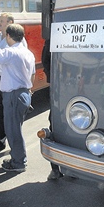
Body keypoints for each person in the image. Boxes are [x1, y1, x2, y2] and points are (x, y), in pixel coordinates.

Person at [0, 22, 35, 172]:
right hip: (24, 94)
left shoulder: (11, 52)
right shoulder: (28, 53)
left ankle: (18, 162)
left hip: (13, 96)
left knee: (13, 131)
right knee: (15, 130)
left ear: (8, 36)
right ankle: (17, 158)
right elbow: (32, 74)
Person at [0, 13, 27, 155]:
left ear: (10, 22)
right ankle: (0, 141)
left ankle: (15, 148)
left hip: (9, 80)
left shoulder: (18, 42)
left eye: (2, 21)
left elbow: (22, 63)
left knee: (9, 114)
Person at [42, 39, 63, 180]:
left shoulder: (55, 38)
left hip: (59, 90)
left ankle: (56, 169)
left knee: (55, 126)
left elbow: (45, 61)